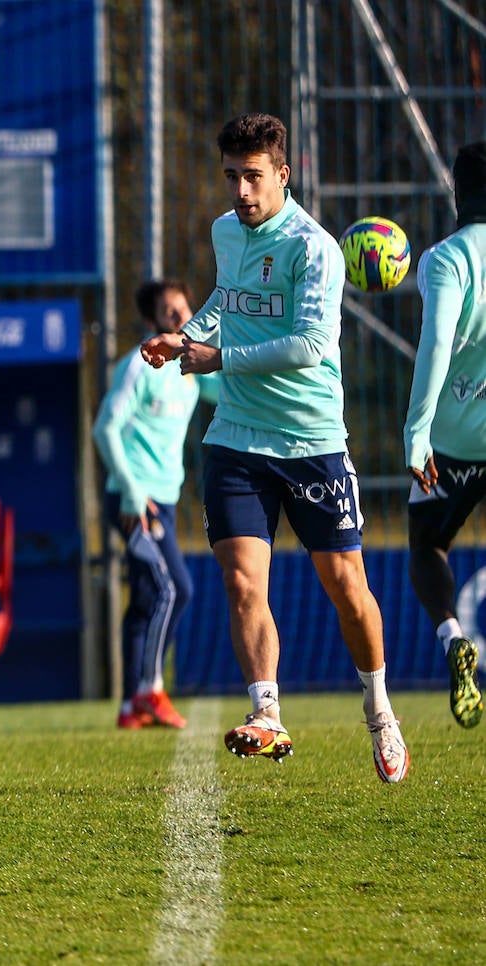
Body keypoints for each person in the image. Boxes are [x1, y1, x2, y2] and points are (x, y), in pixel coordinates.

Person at [141, 112, 409, 783]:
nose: (240, 191)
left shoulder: (314, 249)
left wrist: (217, 355)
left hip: (311, 440)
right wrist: (187, 334)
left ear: (282, 174)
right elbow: (227, 300)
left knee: (347, 589)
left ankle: (380, 711)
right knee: (240, 581)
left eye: (252, 176)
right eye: (231, 176)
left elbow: (311, 346)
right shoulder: (226, 232)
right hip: (235, 438)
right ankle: (267, 714)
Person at [93, 279, 217, 730]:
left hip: (161, 501)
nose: (180, 317)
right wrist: (129, 490)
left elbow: (226, 392)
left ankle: (130, 706)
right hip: (133, 500)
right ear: (152, 323)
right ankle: (150, 690)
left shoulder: (188, 370)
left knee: (147, 597)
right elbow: (105, 429)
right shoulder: (137, 368)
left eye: (184, 308)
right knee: (174, 590)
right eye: (169, 312)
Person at [403, 141, 486, 730]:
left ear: (457, 192)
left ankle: (453, 635)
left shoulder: (445, 259)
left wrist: (417, 432)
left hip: (451, 443)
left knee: (428, 548)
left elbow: (436, 345)